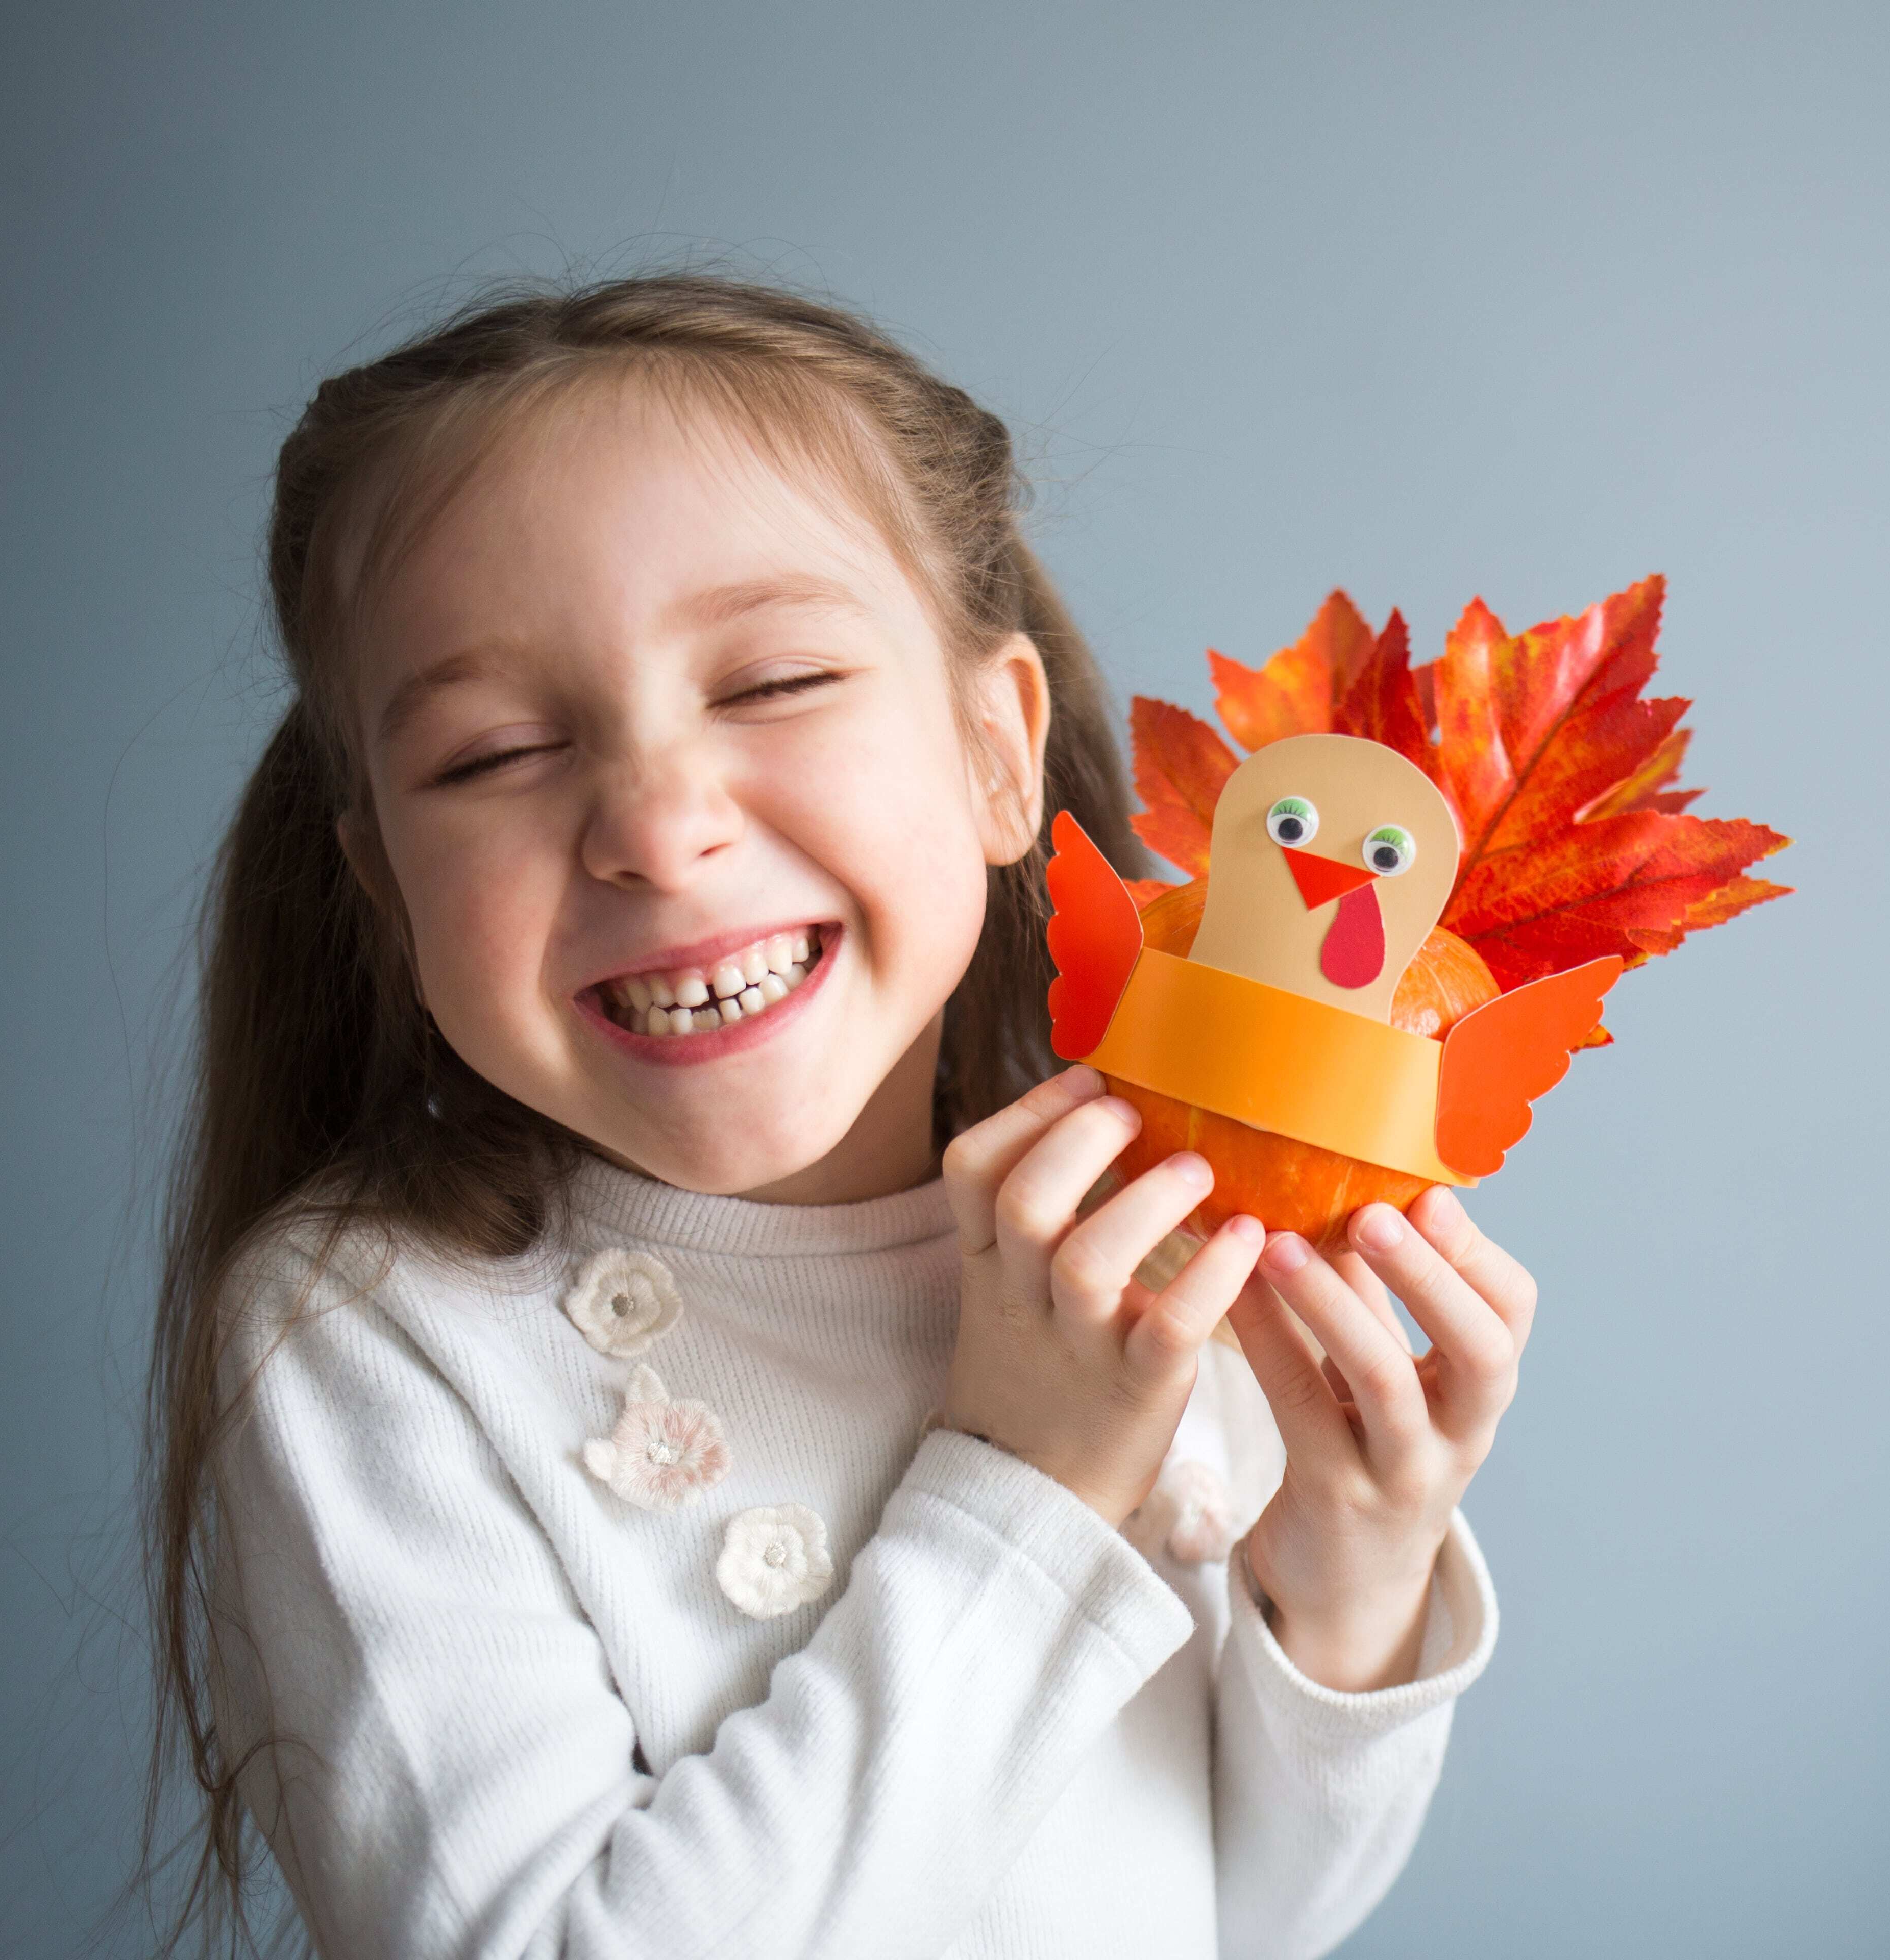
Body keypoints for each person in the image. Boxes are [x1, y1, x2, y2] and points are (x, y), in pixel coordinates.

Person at [142, 273, 1537, 1959]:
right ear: (382, 880)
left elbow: (1244, 1914)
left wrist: (1354, 1575)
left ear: (994, 755)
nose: (657, 829)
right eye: (496, 753)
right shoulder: (376, 1330)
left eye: (773, 682)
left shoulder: (1134, 1235)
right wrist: (1027, 1486)